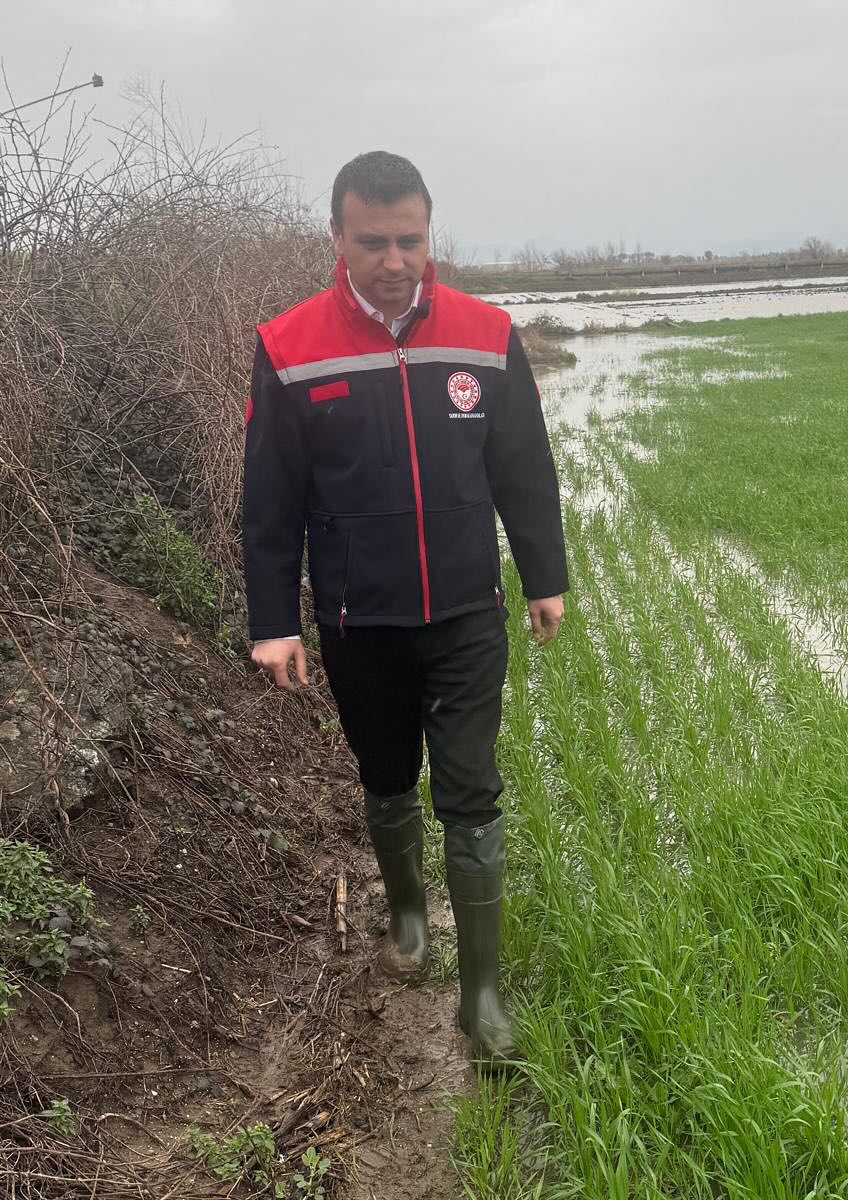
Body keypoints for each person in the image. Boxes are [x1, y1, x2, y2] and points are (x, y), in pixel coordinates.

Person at [242, 151, 568, 1070]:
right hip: (359, 618)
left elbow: (523, 469)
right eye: (374, 241)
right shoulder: (289, 345)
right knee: (386, 776)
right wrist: (274, 622)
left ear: (431, 233)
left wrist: (543, 575)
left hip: (466, 609)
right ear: (338, 238)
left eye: (411, 240)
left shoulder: (484, 333)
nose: (395, 259)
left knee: (470, 787)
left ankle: (483, 998)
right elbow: (269, 503)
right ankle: (409, 915)